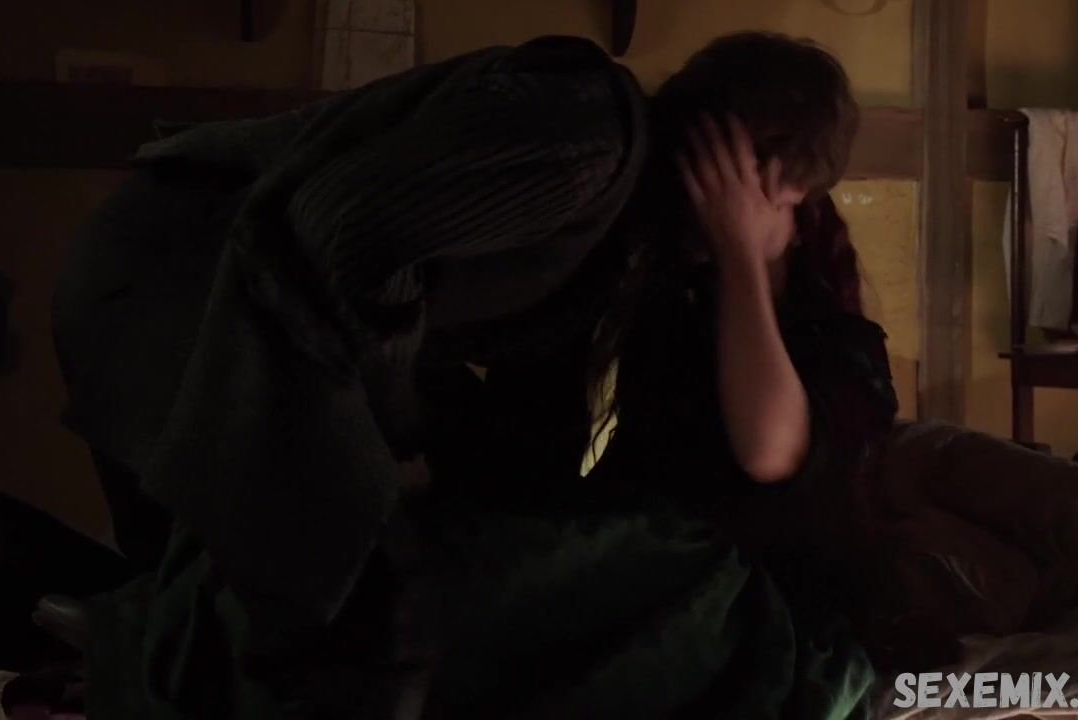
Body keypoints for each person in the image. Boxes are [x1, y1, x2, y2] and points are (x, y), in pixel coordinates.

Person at [54, 31, 895, 718]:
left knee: (236, 604)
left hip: (228, 313)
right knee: (345, 614)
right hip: (188, 295)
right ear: (729, 160)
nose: (775, 217)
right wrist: (395, 443)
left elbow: (538, 430)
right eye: (773, 192)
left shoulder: (645, 261)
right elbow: (338, 234)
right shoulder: (591, 148)